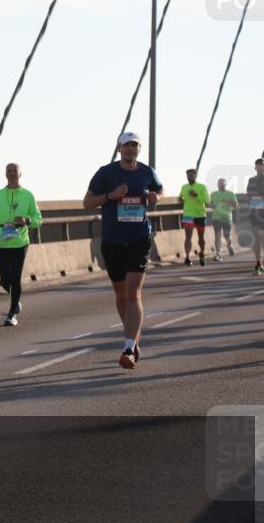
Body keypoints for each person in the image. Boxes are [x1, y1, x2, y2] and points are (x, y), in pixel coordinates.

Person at [83, 132, 163, 369]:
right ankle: (133, 338)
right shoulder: (105, 173)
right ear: (119, 149)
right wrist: (110, 196)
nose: (130, 150)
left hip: (139, 238)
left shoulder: (147, 171)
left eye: (134, 146)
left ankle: (128, 346)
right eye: (126, 146)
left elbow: (160, 190)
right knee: (120, 295)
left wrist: (154, 197)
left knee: (133, 293)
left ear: (139, 150)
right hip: (113, 240)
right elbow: (87, 202)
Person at [0, 163, 42, 327]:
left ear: (20, 173)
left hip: (20, 241)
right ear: (5, 174)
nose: (11, 173)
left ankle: (11, 314)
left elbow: (38, 219)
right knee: (4, 280)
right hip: (1, 240)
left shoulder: (28, 195)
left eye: (14, 170)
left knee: (15, 277)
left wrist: (27, 221)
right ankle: (15, 300)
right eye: (8, 170)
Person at [246, 158, 264, 276]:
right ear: (255, 167)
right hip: (255, 210)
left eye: (262, 165)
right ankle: (258, 264)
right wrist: (255, 199)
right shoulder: (251, 180)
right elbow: (248, 195)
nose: (260, 167)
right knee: (256, 237)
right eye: (258, 165)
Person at [179, 168, 209, 267]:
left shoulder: (202, 187)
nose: (189, 177)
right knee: (188, 236)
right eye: (188, 175)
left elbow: (207, 200)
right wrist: (181, 199)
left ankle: (202, 254)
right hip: (188, 215)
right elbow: (181, 198)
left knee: (201, 238)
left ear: (196, 176)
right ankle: (187, 257)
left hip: (200, 215)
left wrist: (196, 195)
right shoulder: (184, 187)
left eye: (191, 175)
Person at [209, 178, 238, 261]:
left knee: (226, 236)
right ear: (217, 185)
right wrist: (211, 205)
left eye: (223, 183)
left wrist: (228, 202)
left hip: (227, 217)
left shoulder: (230, 194)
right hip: (216, 217)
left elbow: (236, 205)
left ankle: (230, 245)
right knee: (217, 235)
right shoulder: (213, 194)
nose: (221, 185)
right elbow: (210, 204)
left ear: (226, 185)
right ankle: (217, 254)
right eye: (220, 183)